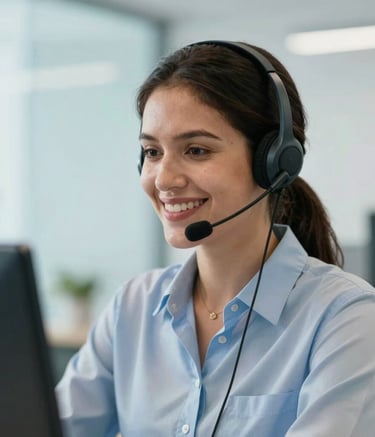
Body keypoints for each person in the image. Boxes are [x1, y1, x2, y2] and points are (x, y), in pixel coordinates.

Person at [56, 40, 375, 436]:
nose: (165, 179)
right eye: (152, 152)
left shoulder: (345, 318)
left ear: (274, 162)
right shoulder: (133, 308)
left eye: (196, 150)